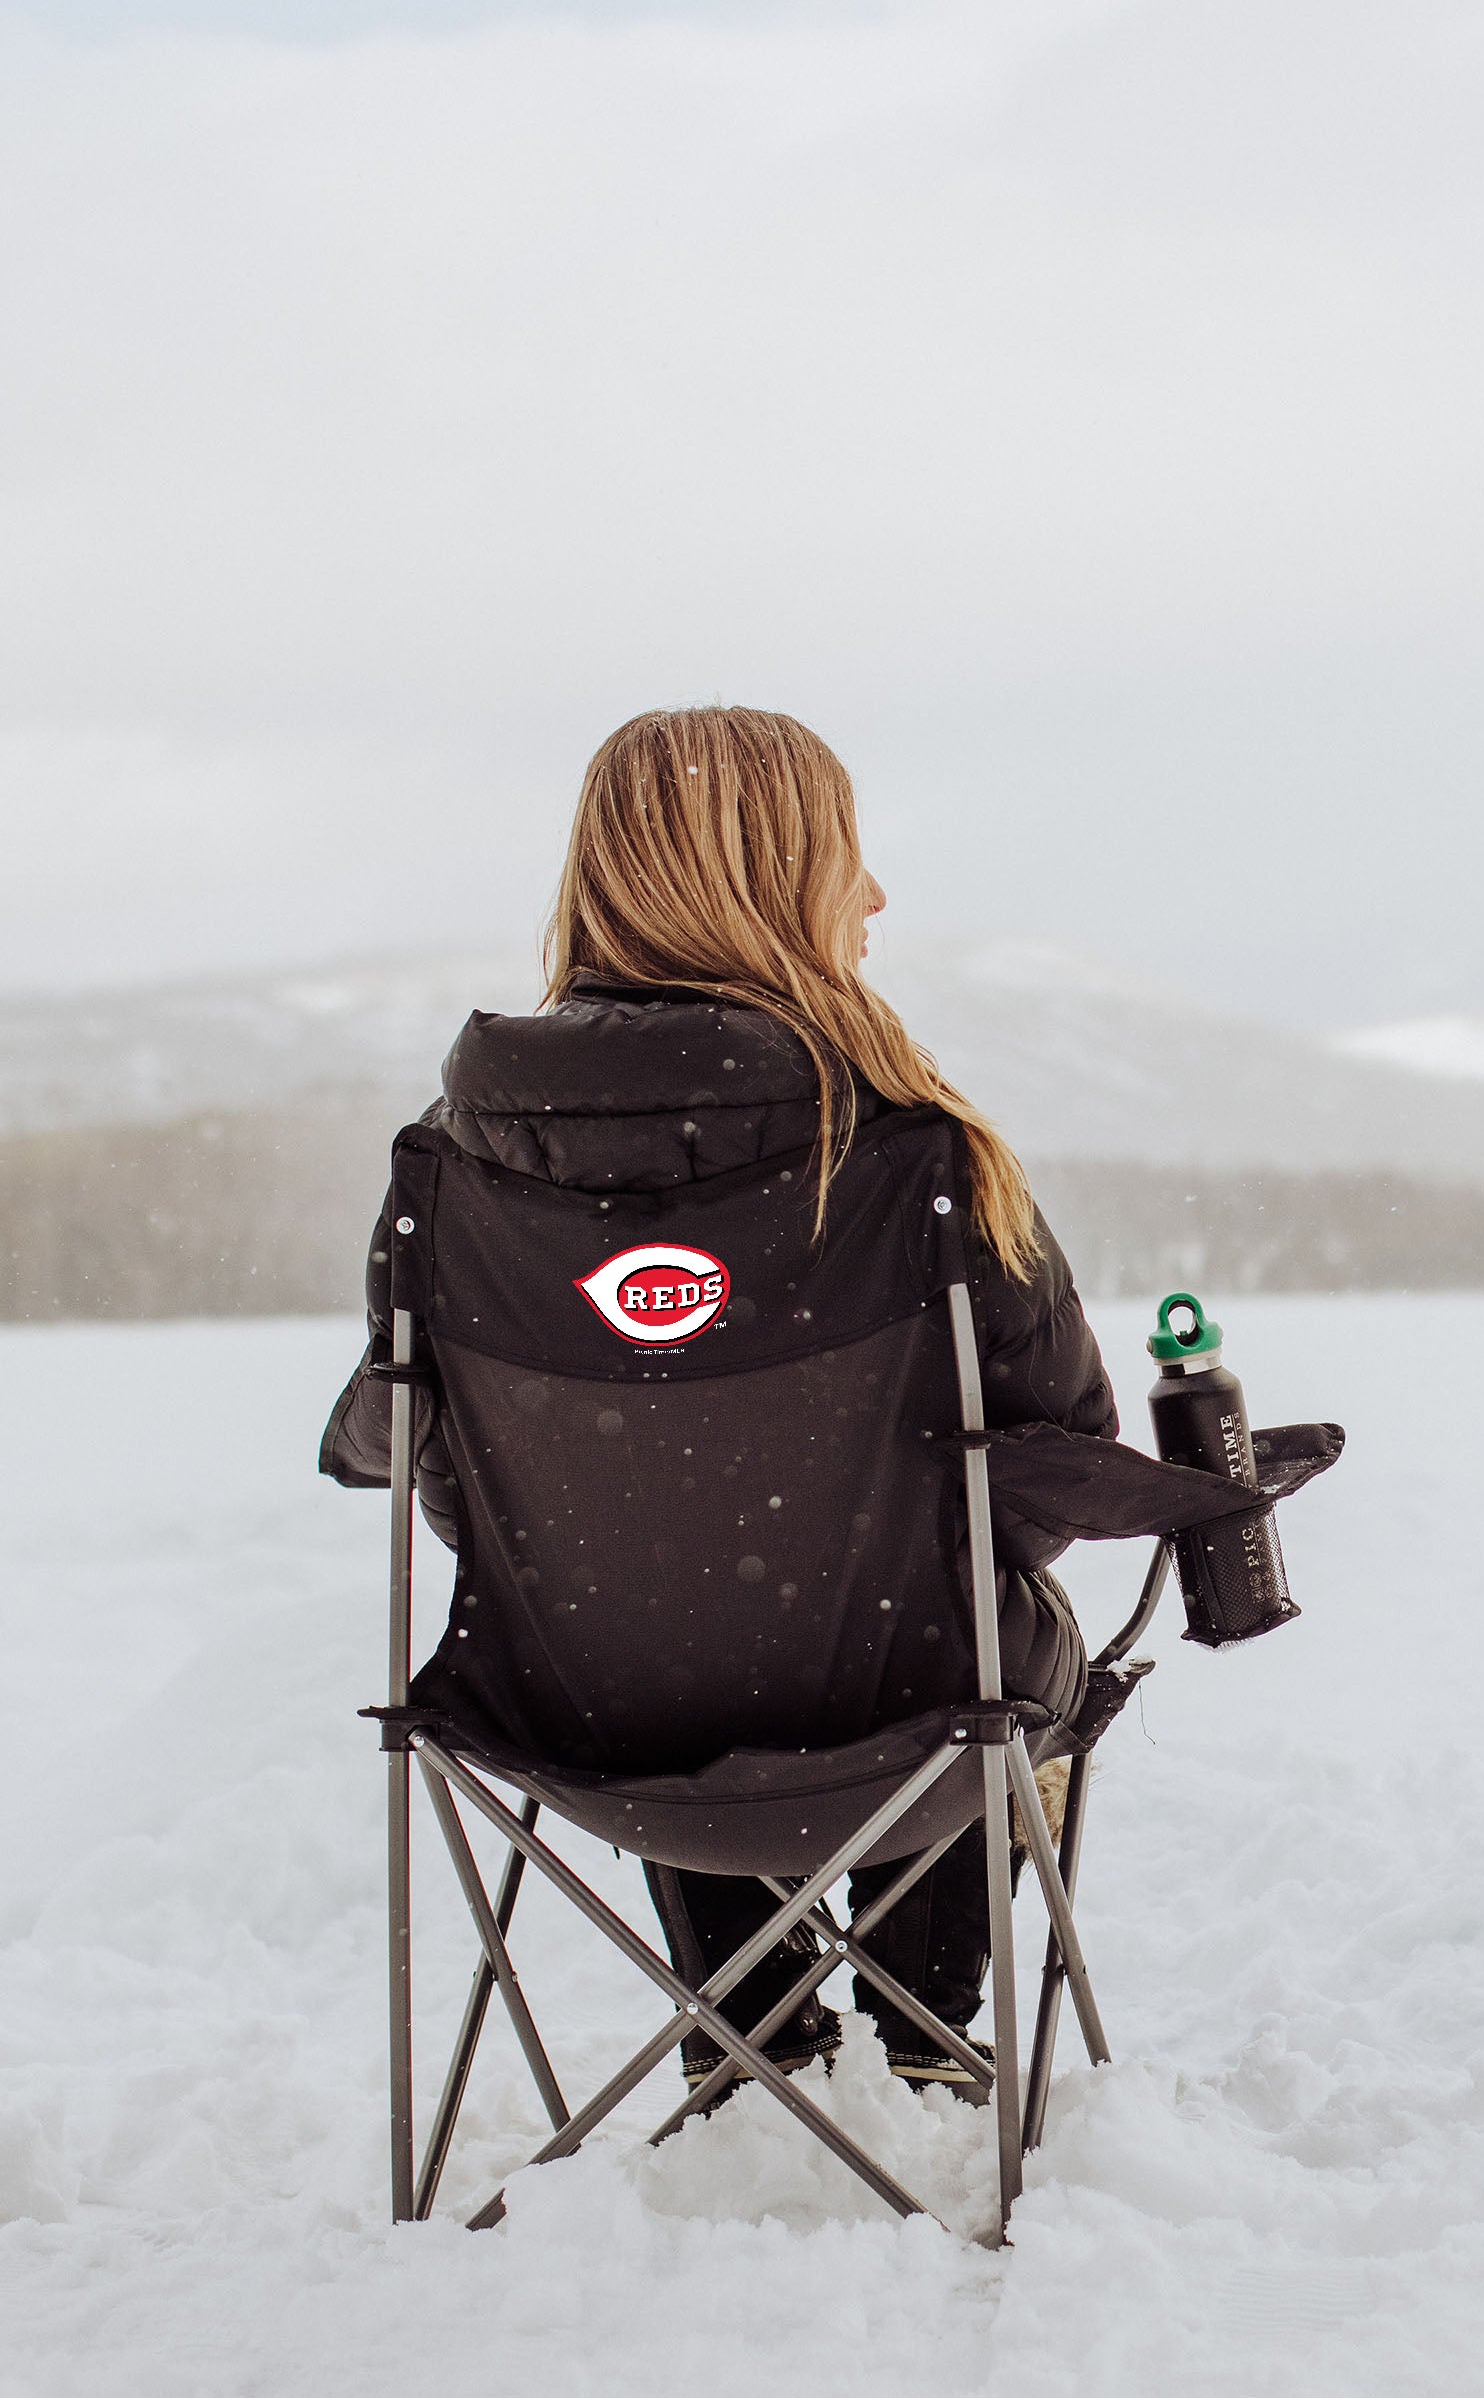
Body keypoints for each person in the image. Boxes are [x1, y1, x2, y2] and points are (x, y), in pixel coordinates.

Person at [321, 705, 1118, 2100]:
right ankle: (923, 2037)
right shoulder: (915, 1155)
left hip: (591, 1734)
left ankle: (749, 2037)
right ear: (771, 881)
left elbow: (450, 1492)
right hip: (918, 1727)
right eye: (847, 858)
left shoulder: (451, 1172)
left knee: (657, 1603)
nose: (874, 898)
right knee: (955, 1616)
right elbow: (1052, 1468)